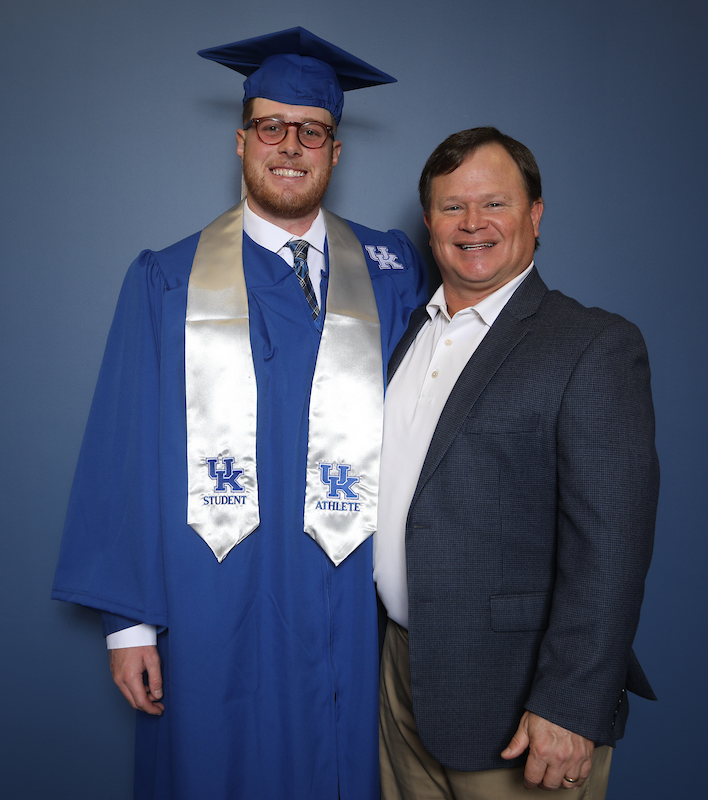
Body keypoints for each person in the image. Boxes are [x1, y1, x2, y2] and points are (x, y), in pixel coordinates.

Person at [53, 27, 427, 800]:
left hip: (351, 597)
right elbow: (123, 451)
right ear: (241, 141)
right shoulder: (168, 280)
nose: (290, 145)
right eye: (271, 127)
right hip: (212, 596)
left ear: (335, 151)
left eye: (312, 131)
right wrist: (129, 625)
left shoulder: (390, 272)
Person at [375, 127, 659, 799]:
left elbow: (612, 546)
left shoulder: (592, 346)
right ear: (429, 222)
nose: (473, 223)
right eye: (452, 207)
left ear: (535, 214)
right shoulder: (410, 335)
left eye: (494, 203)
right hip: (400, 680)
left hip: (520, 704)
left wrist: (571, 704)